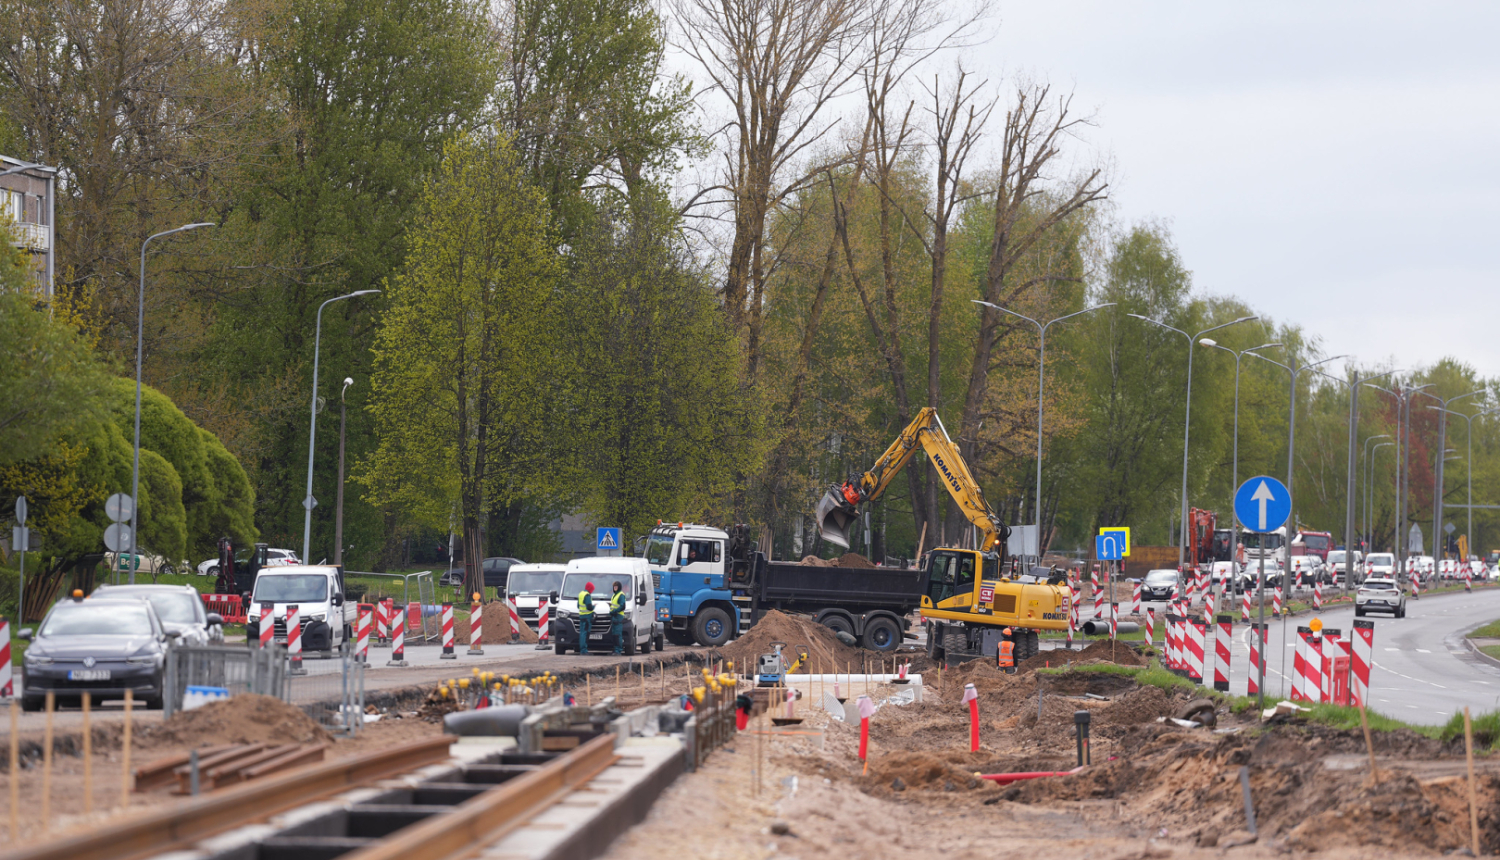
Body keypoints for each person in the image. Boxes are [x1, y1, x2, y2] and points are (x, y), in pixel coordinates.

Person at [609, 581, 628, 655]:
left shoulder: (621, 595)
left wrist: (614, 611)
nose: (615, 588)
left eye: (616, 587)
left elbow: (622, 606)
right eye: (614, 587)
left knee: (617, 634)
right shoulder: (614, 595)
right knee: (614, 634)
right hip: (614, 616)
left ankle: (618, 650)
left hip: (618, 616)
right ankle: (615, 649)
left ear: (619, 587)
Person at [577, 582, 596, 654]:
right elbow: (589, 607)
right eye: (592, 590)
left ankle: (582, 649)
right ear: (590, 589)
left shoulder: (581, 594)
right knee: (585, 634)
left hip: (581, 616)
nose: (592, 591)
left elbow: (578, 606)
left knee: (582, 633)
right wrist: (594, 606)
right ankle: (584, 650)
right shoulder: (587, 595)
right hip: (587, 617)